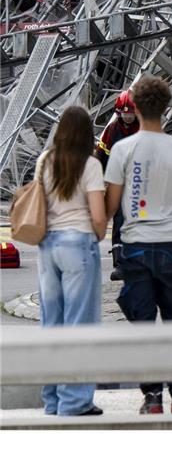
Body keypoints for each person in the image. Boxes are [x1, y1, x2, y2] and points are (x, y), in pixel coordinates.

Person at [104, 76, 172, 414]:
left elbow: (112, 205)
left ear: (136, 108)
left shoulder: (122, 150)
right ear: (167, 106)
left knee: (143, 325)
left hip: (137, 246)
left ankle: (152, 397)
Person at [37, 106, 107, 417]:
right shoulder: (90, 165)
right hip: (78, 243)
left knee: (52, 324)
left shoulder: (44, 161)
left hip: (47, 246)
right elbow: (98, 216)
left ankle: (52, 400)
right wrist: (100, 234)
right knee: (80, 324)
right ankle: (75, 401)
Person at [96, 90, 140, 281]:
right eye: (124, 112)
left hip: (140, 184)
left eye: (130, 112)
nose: (127, 116)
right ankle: (120, 263)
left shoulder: (143, 129)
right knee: (120, 222)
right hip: (118, 184)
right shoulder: (112, 130)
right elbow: (101, 156)